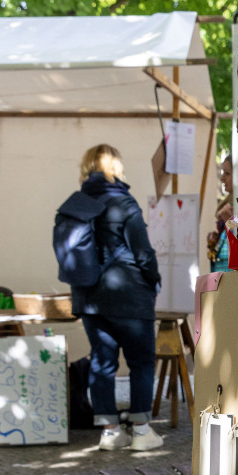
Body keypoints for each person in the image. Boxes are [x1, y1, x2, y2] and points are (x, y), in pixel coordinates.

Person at [55, 144, 163, 453]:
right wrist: (153, 281)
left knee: (102, 362)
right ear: (116, 167)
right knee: (141, 362)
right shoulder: (124, 203)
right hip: (129, 297)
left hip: (88, 298)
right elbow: (143, 252)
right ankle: (141, 431)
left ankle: (111, 432)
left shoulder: (74, 205)